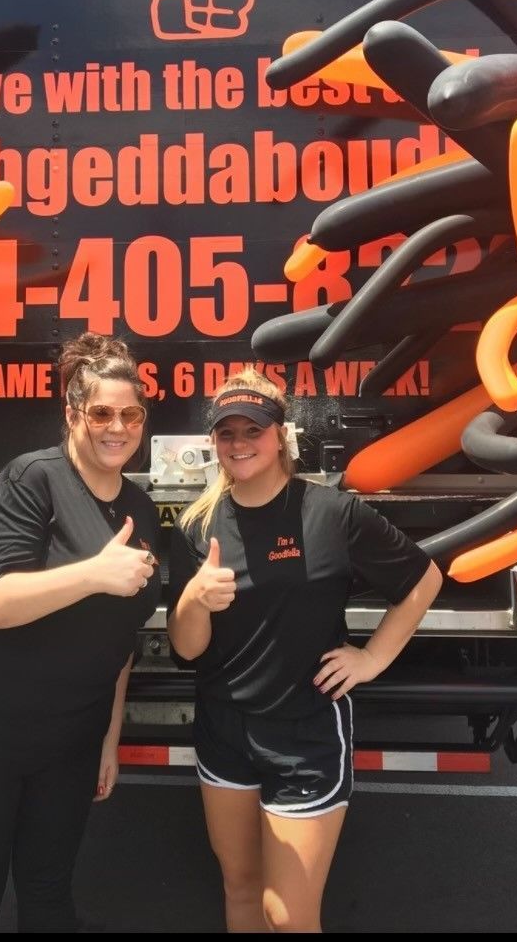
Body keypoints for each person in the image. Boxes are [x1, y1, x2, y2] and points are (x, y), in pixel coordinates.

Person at [167, 368, 443, 934]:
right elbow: (187, 649)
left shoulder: (332, 513)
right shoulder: (198, 525)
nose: (240, 443)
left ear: (281, 435)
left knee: (288, 916)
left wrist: (372, 658)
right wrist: (194, 598)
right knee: (241, 889)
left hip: (306, 732)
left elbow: (424, 579)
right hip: (223, 729)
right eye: (227, 433)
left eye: (254, 430)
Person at [0, 333, 161, 933]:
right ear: (73, 414)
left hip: (70, 734)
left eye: (130, 415)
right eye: (101, 413)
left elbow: (120, 640)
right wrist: (95, 574)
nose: (117, 428)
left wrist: (108, 738)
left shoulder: (139, 507)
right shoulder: (31, 480)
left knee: (49, 890)